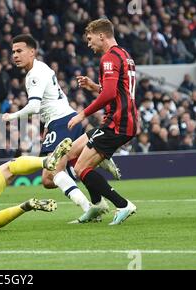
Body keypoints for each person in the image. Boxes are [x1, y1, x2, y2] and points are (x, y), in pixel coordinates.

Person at [2, 34, 120, 218]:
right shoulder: (42, 68)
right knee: (67, 172)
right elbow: (59, 97)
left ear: (32, 52)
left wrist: (12, 116)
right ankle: (92, 159)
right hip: (66, 118)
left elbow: (34, 106)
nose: (15, 55)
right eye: (13, 52)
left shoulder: (34, 74)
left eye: (19, 51)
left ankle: (89, 208)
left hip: (61, 122)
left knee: (49, 178)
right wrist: (49, 124)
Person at [61, 18, 138, 225]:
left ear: (101, 35)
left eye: (90, 38)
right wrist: (94, 86)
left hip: (117, 122)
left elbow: (111, 93)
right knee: (71, 153)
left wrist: (82, 114)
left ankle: (122, 205)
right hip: (120, 120)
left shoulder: (108, 58)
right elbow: (116, 90)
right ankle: (97, 205)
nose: (88, 43)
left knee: (80, 169)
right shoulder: (124, 55)